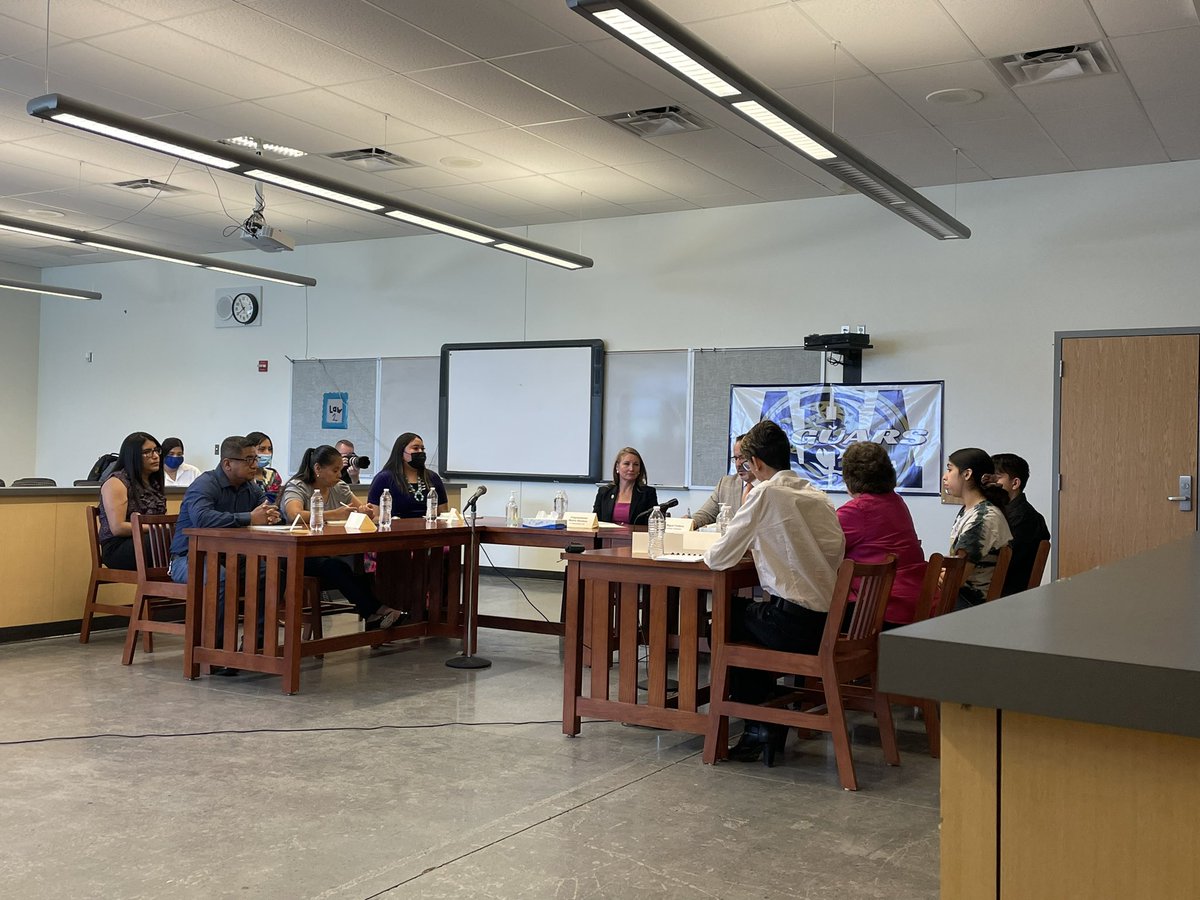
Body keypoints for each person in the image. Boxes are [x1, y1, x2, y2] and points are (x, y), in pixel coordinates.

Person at [704, 420, 845, 763]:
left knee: (721, 622)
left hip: (793, 625)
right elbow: (831, 549)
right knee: (744, 619)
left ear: (754, 463)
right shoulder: (816, 493)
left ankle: (759, 723)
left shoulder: (766, 492)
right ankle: (763, 713)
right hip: (827, 623)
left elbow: (719, 557)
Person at [168, 435, 282, 672]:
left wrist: (271, 515)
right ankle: (216, 651)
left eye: (256, 459)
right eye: (249, 459)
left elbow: (265, 509)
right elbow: (202, 518)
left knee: (268, 572)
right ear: (228, 463)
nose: (255, 464)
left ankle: (255, 645)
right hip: (189, 559)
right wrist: (249, 518)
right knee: (220, 577)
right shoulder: (205, 484)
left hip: (232, 557)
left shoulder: (250, 487)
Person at [278, 445, 403, 629]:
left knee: (359, 568)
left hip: (329, 549)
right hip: (299, 553)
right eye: (335, 470)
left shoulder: (339, 487)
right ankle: (376, 610)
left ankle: (374, 615)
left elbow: (363, 511)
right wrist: (334, 514)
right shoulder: (298, 486)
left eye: (341, 470)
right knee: (335, 567)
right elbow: (294, 514)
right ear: (318, 469)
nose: (339, 474)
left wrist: (365, 511)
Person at [837, 441, 926, 628]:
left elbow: (819, 550)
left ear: (849, 477)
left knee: (806, 623)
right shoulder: (896, 501)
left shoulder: (857, 510)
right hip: (918, 603)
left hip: (882, 610)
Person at [943, 448, 1013, 610]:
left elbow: (955, 579)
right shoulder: (970, 510)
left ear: (967, 474)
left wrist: (939, 574)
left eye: (949, 469)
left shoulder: (982, 518)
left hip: (970, 603)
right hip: (961, 597)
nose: (945, 477)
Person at [96, 431, 167, 570]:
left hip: (149, 541)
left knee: (183, 540)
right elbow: (118, 528)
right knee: (169, 540)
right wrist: (159, 528)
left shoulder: (153, 483)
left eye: (156, 450)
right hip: (119, 547)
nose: (155, 456)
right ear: (132, 456)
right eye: (147, 452)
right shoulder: (116, 482)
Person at [991, 452, 1051, 595]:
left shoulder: (1025, 518)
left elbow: (998, 563)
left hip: (1002, 595)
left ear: (1015, 483)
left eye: (997, 478)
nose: (990, 483)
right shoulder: (1003, 512)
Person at [367, 432, 448, 518]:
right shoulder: (384, 478)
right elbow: (374, 517)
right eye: (415, 448)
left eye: (422, 449)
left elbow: (443, 514)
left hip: (429, 529)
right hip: (396, 529)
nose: (420, 452)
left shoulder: (432, 477)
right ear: (401, 452)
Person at [691, 434, 755, 528]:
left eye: (742, 458)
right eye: (736, 458)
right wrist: (689, 523)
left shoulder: (769, 486)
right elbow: (706, 514)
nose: (738, 464)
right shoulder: (725, 484)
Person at [593, 447, 659, 525]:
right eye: (626, 464)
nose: (631, 469)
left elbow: (653, 524)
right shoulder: (604, 492)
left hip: (636, 537)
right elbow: (595, 523)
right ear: (617, 467)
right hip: (608, 537)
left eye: (636, 465)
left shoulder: (648, 493)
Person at [245, 431, 282, 503]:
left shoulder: (272, 475)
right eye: (262, 449)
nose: (267, 453)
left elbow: (275, 501)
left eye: (270, 449)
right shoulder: (242, 476)